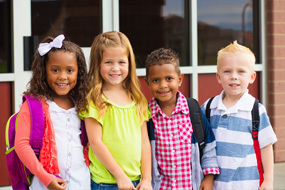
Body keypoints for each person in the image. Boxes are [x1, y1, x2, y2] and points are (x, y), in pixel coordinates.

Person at [15, 34, 90, 190]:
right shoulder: (33, 105)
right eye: (55, 70)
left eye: (70, 70)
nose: (62, 77)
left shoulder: (82, 103)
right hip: (45, 183)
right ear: (44, 71)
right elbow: (21, 145)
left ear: (79, 72)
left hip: (81, 182)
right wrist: (46, 178)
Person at [80, 31, 152, 190]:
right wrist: (120, 176)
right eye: (108, 62)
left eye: (121, 62)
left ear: (129, 63)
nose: (115, 68)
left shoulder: (137, 99)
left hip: (137, 182)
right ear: (98, 64)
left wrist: (147, 178)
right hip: (106, 183)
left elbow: (145, 142)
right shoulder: (95, 100)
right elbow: (95, 142)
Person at [201, 41, 278, 190]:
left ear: (252, 77)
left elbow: (266, 147)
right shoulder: (209, 107)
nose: (234, 77)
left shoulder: (255, 110)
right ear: (218, 77)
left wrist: (268, 180)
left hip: (247, 183)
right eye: (227, 71)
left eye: (241, 71)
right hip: (216, 184)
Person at [145, 48, 220, 190]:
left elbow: (209, 147)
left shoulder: (193, 110)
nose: (163, 85)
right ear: (147, 82)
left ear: (179, 79)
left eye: (169, 78)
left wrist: (209, 178)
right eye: (155, 80)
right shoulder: (146, 116)